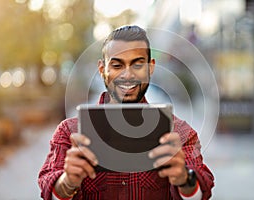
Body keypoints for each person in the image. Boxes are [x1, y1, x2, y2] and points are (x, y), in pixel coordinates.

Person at [38, 25, 214, 200]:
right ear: (102, 70)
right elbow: (48, 188)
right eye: (116, 65)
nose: (127, 75)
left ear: (150, 68)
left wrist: (185, 180)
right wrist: (67, 182)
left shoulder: (180, 133)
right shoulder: (70, 133)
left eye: (137, 65)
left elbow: (203, 189)